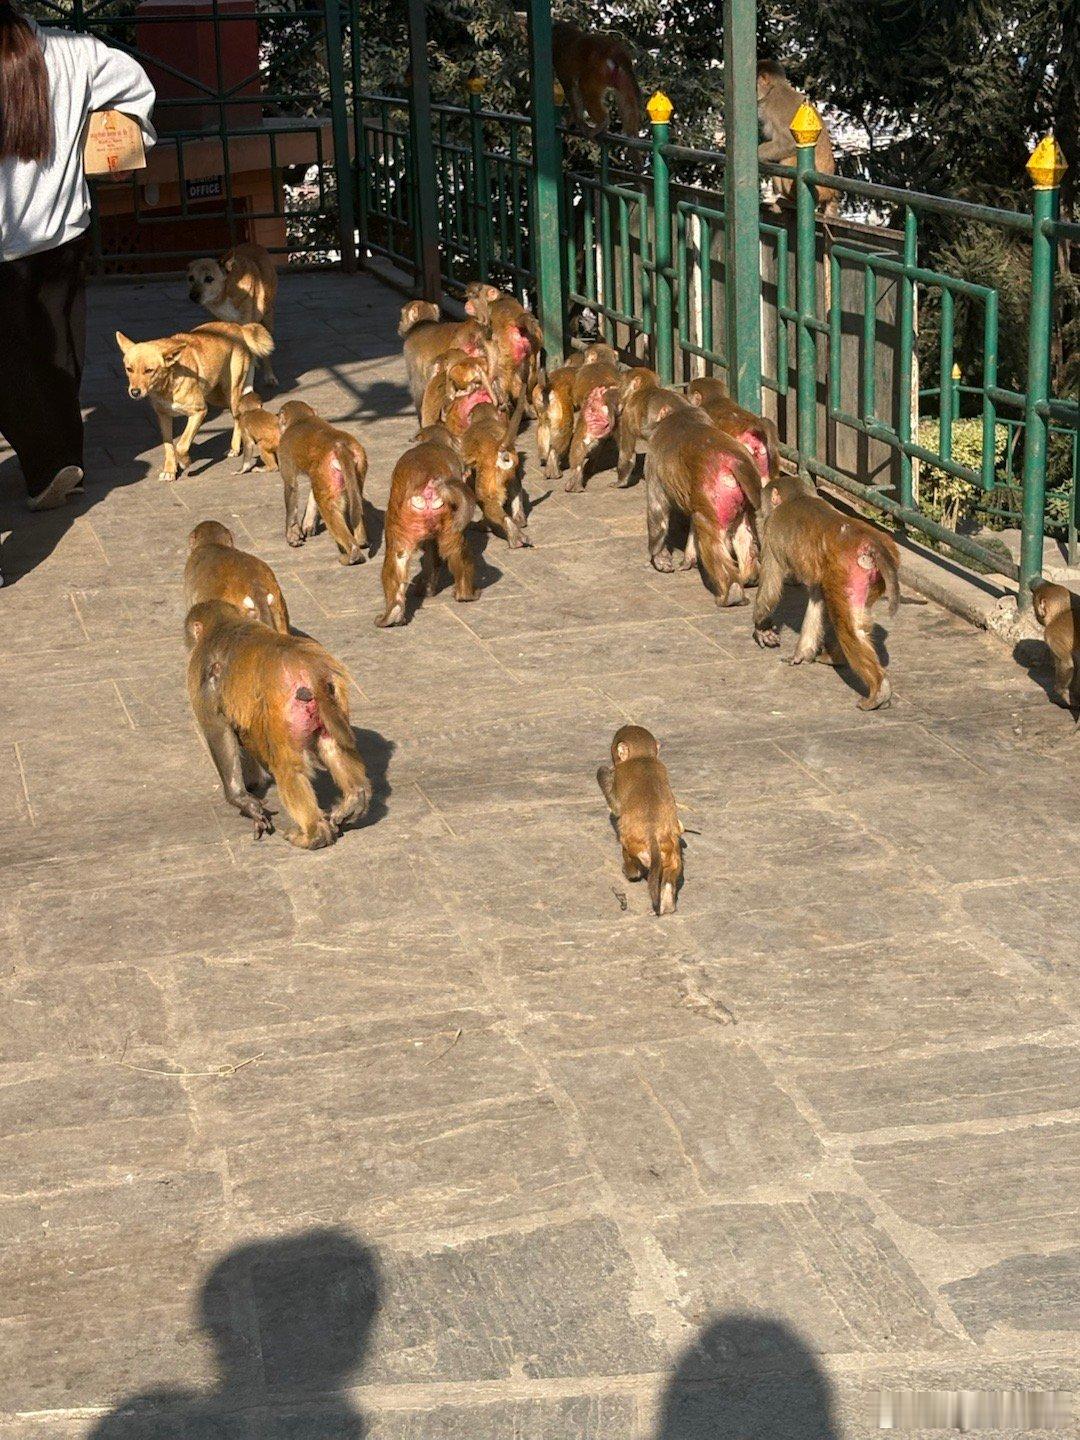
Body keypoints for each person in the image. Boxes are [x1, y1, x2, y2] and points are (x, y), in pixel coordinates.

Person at [0, 1, 155, 561]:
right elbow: (138, 90)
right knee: (62, 355)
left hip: (4, 246)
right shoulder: (77, 54)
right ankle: (71, 463)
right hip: (63, 234)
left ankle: (45, 470)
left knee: (10, 365)